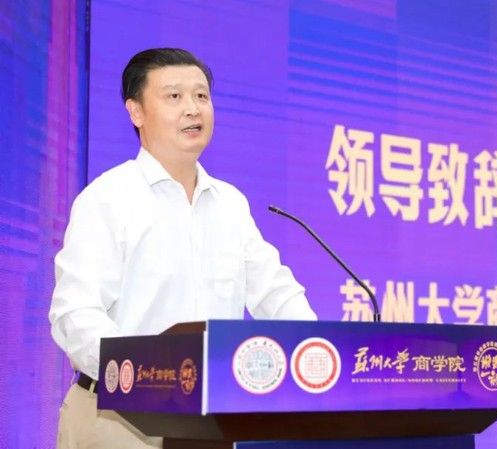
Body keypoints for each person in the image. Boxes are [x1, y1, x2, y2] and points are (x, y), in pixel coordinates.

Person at [48, 48, 317, 449]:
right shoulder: (106, 198)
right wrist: (145, 377)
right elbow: (76, 313)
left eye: (201, 96)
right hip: (118, 420)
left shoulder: (229, 203)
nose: (193, 108)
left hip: (209, 424)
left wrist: (315, 352)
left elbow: (275, 292)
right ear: (136, 112)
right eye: (174, 96)